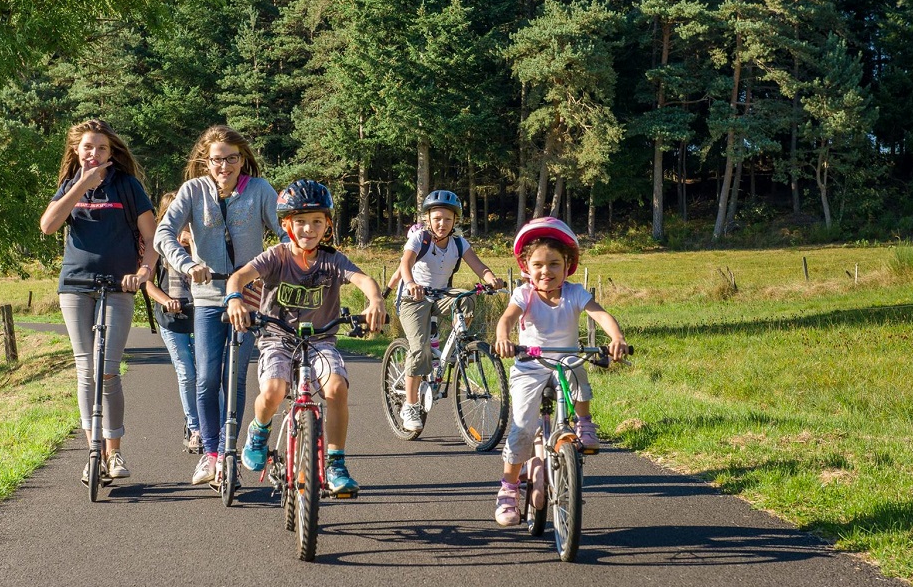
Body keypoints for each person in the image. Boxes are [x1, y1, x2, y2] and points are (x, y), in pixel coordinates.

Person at [226, 179, 387, 498]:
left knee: (337, 388)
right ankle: (258, 431)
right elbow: (240, 276)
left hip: (321, 341)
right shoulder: (277, 256)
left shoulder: (332, 259)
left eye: (317, 222)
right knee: (273, 391)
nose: (308, 229)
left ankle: (336, 463)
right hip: (277, 338)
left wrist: (375, 301)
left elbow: (363, 279)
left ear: (327, 225)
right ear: (286, 225)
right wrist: (234, 299)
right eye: (300, 221)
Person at [154, 125, 284, 485]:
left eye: (231, 158)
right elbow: (163, 233)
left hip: (248, 297)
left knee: (234, 377)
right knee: (207, 376)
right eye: (216, 159)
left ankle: (229, 452)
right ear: (204, 161)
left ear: (242, 159)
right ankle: (210, 454)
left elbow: (286, 236)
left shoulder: (259, 191)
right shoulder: (193, 191)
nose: (224, 165)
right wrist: (187, 263)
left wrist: (268, 275)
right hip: (208, 297)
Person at [39, 118, 157, 484]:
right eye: (88, 147)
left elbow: (152, 237)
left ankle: (114, 450)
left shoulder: (127, 186)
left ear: (111, 152)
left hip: (118, 286)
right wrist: (81, 186)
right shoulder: (68, 186)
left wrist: (144, 272)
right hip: (75, 285)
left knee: (107, 369)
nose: (95, 153)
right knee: (85, 369)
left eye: (102, 148)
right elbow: (48, 226)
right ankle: (93, 452)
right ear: (77, 150)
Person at [491, 217, 628, 527]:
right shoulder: (523, 295)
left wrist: (616, 338)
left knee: (576, 369)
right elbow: (507, 320)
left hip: (565, 361)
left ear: (568, 266)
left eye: (554, 264)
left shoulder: (574, 293)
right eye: (538, 264)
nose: (546, 271)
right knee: (523, 428)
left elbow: (601, 314)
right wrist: (503, 338)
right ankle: (508, 490)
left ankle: (584, 423)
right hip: (530, 365)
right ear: (526, 266)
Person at [395, 190, 503, 433]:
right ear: (428, 220)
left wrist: (491, 279)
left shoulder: (458, 243)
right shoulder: (419, 239)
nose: (441, 224)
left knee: (467, 298)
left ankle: (459, 345)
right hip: (414, 299)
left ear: (455, 221)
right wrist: (411, 283)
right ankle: (410, 405)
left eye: (447, 219)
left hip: (441, 295)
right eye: (437, 218)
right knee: (420, 349)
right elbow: (405, 263)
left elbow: (479, 266)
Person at [150, 191, 202, 454]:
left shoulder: (200, 242)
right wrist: (166, 300)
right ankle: (194, 427)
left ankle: (208, 427)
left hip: (202, 315)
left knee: (206, 374)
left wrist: (192, 244)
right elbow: (147, 284)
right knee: (187, 373)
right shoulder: (158, 245)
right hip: (172, 318)